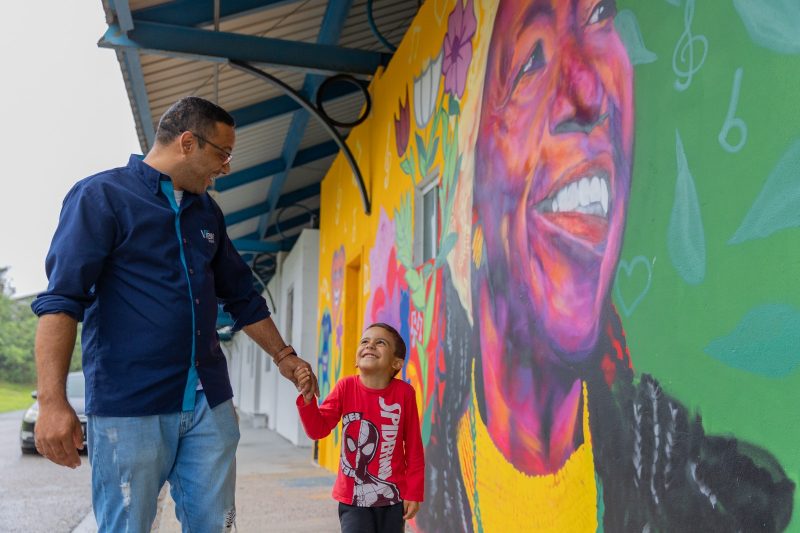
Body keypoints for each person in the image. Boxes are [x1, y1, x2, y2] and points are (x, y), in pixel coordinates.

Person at [417, 0, 794, 531]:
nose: (589, 92)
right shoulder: (435, 459)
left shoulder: (702, 493)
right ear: (473, 201)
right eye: (528, 62)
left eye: (600, 17)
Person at [30, 96, 319, 533]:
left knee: (217, 526)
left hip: (209, 403)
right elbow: (61, 301)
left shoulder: (207, 213)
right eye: (222, 154)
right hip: (131, 406)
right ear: (187, 142)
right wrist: (52, 401)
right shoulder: (102, 197)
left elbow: (241, 295)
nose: (226, 167)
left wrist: (284, 356)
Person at [294, 322, 424, 533]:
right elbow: (318, 430)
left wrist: (414, 492)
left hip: (393, 499)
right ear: (356, 359)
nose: (370, 345)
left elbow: (414, 448)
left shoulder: (405, 394)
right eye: (365, 341)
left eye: (380, 342)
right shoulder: (346, 387)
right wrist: (308, 401)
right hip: (353, 499)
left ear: (396, 363)